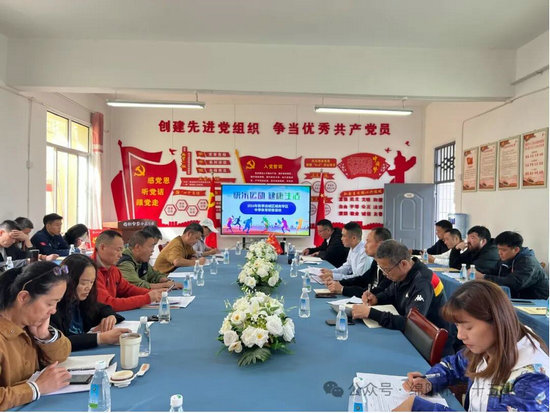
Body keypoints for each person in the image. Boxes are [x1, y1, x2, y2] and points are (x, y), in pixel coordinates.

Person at [393, 280, 549, 412]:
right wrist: (429, 382)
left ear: (497, 321)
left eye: (468, 327)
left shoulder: (533, 379)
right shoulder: (487, 346)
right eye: (457, 326)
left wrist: (420, 408)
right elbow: (453, 366)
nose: (460, 335)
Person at [352, 240, 454, 352]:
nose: (385, 274)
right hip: (411, 338)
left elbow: (412, 324)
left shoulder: (423, 282)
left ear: (403, 264)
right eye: (382, 270)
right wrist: (376, 298)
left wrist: (371, 313)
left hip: (433, 347)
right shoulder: (402, 274)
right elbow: (390, 293)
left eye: (386, 270)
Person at [0, 262, 72, 410]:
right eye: (50, 303)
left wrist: (45, 337)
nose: (53, 311)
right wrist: (36, 388)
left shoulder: (28, 326)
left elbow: (62, 355)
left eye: (57, 303)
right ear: (24, 297)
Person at [50, 254, 131, 351]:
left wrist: (110, 316)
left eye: (91, 282)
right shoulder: (53, 308)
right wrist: (101, 338)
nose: (88, 287)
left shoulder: (81, 302)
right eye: (83, 283)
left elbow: (103, 308)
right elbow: (59, 343)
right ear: (68, 281)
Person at [93, 230, 163, 312]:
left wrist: (151, 292)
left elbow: (127, 289)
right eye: (118, 250)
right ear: (102, 247)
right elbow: (108, 304)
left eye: (121, 250)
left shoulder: (113, 269)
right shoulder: (91, 272)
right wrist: (147, 298)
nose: (120, 255)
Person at [475, 231, 548, 299]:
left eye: (503, 250)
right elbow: (494, 272)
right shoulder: (506, 258)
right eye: (498, 249)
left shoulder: (528, 262)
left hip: (536, 302)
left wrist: (484, 277)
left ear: (516, 250)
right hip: (515, 298)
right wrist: (478, 274)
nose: (499, 253)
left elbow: (514, 283)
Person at [326, 227, 392, 297]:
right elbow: (362, 279)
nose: (365, 245)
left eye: (368, 241)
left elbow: (376, 292)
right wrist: (339, 282)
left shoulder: (390, 266)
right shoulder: (376, 262)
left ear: (380, 244)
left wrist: (343, 289)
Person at [117, 230, 182, 289]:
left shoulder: (141, 259)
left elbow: (153, 275)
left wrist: (162, 279)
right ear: (137, 247)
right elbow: (137, 286)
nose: (152, 250)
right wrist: (165, 285)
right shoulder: (124, 262)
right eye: (151, 246)